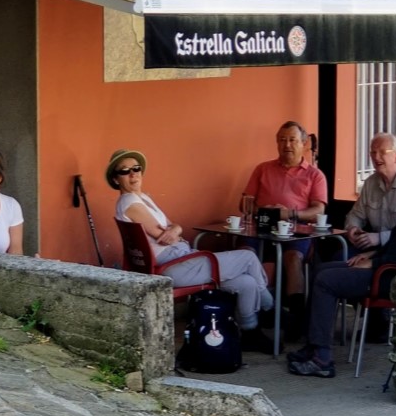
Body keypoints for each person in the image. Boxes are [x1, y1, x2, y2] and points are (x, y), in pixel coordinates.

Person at [288, 157, 396, 378]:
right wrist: (370, 253)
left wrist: (376, 262)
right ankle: (314, 345)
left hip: (393, 277)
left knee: (325, 281)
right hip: (386, 267)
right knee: (322, 270)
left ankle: (322, 359)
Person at [108, 148, 274, 351]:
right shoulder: (130, 202)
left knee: (246, 282)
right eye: (125, 171)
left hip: (183, 259)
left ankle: (250, 331)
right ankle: (270, 308)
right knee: (248, 257)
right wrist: (173, 231)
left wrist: (175, 229)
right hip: (174, 266)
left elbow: (172, 227)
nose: (133, 174)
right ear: (116, 180)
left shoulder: (142, 198)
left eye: (136, 168)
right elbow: (164, 235)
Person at [240, 121, 328, 334]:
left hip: (297, 229)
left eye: (292, 140)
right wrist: (266, 211)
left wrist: (288, 213)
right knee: (246, 254)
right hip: (262, 226)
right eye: (282, 140)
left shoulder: (315, 175)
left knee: (292, 258)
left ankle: (296, 320)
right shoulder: (263, 168)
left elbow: (319, 211)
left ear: (303, 143)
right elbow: (244, 203)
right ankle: (259, 314)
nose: (286, 145)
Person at [344, 133, 396, 252]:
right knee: (333, 259)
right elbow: (356, 214)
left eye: (382, 152)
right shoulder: (370, 183)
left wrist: (381, 238)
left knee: (333, 270)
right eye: (373, 152)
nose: (376, 157)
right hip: (373, 248)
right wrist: (353, 227)